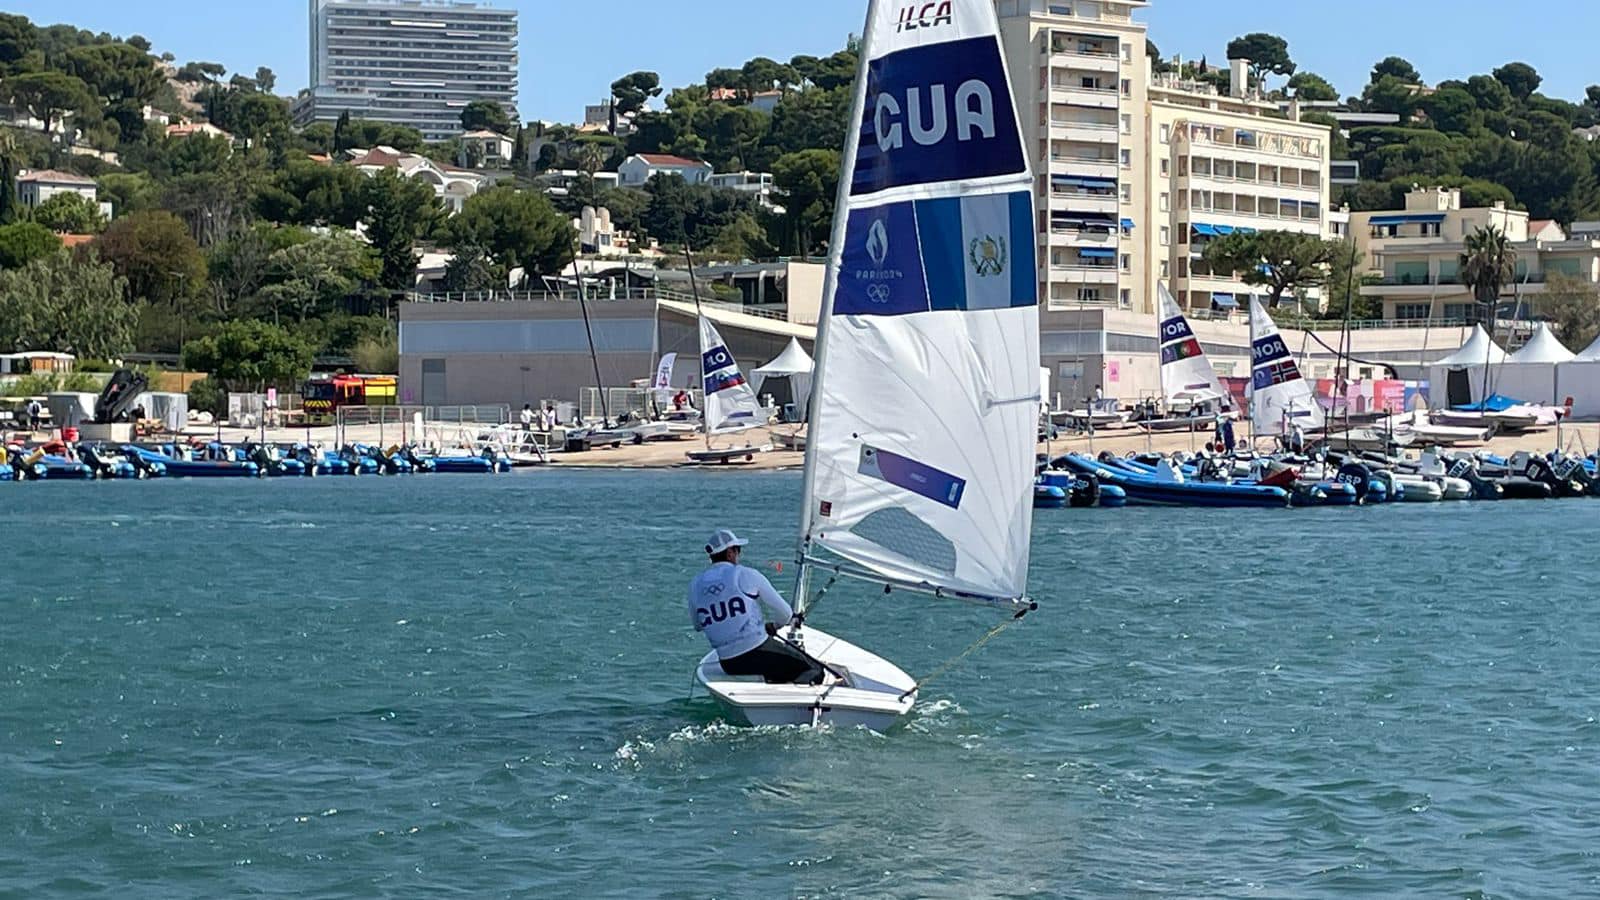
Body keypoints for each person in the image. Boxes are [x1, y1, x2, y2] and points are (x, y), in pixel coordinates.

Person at [687, 529, 823, 685]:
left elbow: (698, 625)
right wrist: (773, 626)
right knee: (815, 670)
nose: (739, 556)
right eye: (738, 551)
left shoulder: (695, 584)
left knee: (779, 667)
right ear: (730, 552)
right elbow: (786, 614)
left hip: (728, 663)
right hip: (757, 652)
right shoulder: (746, 574)